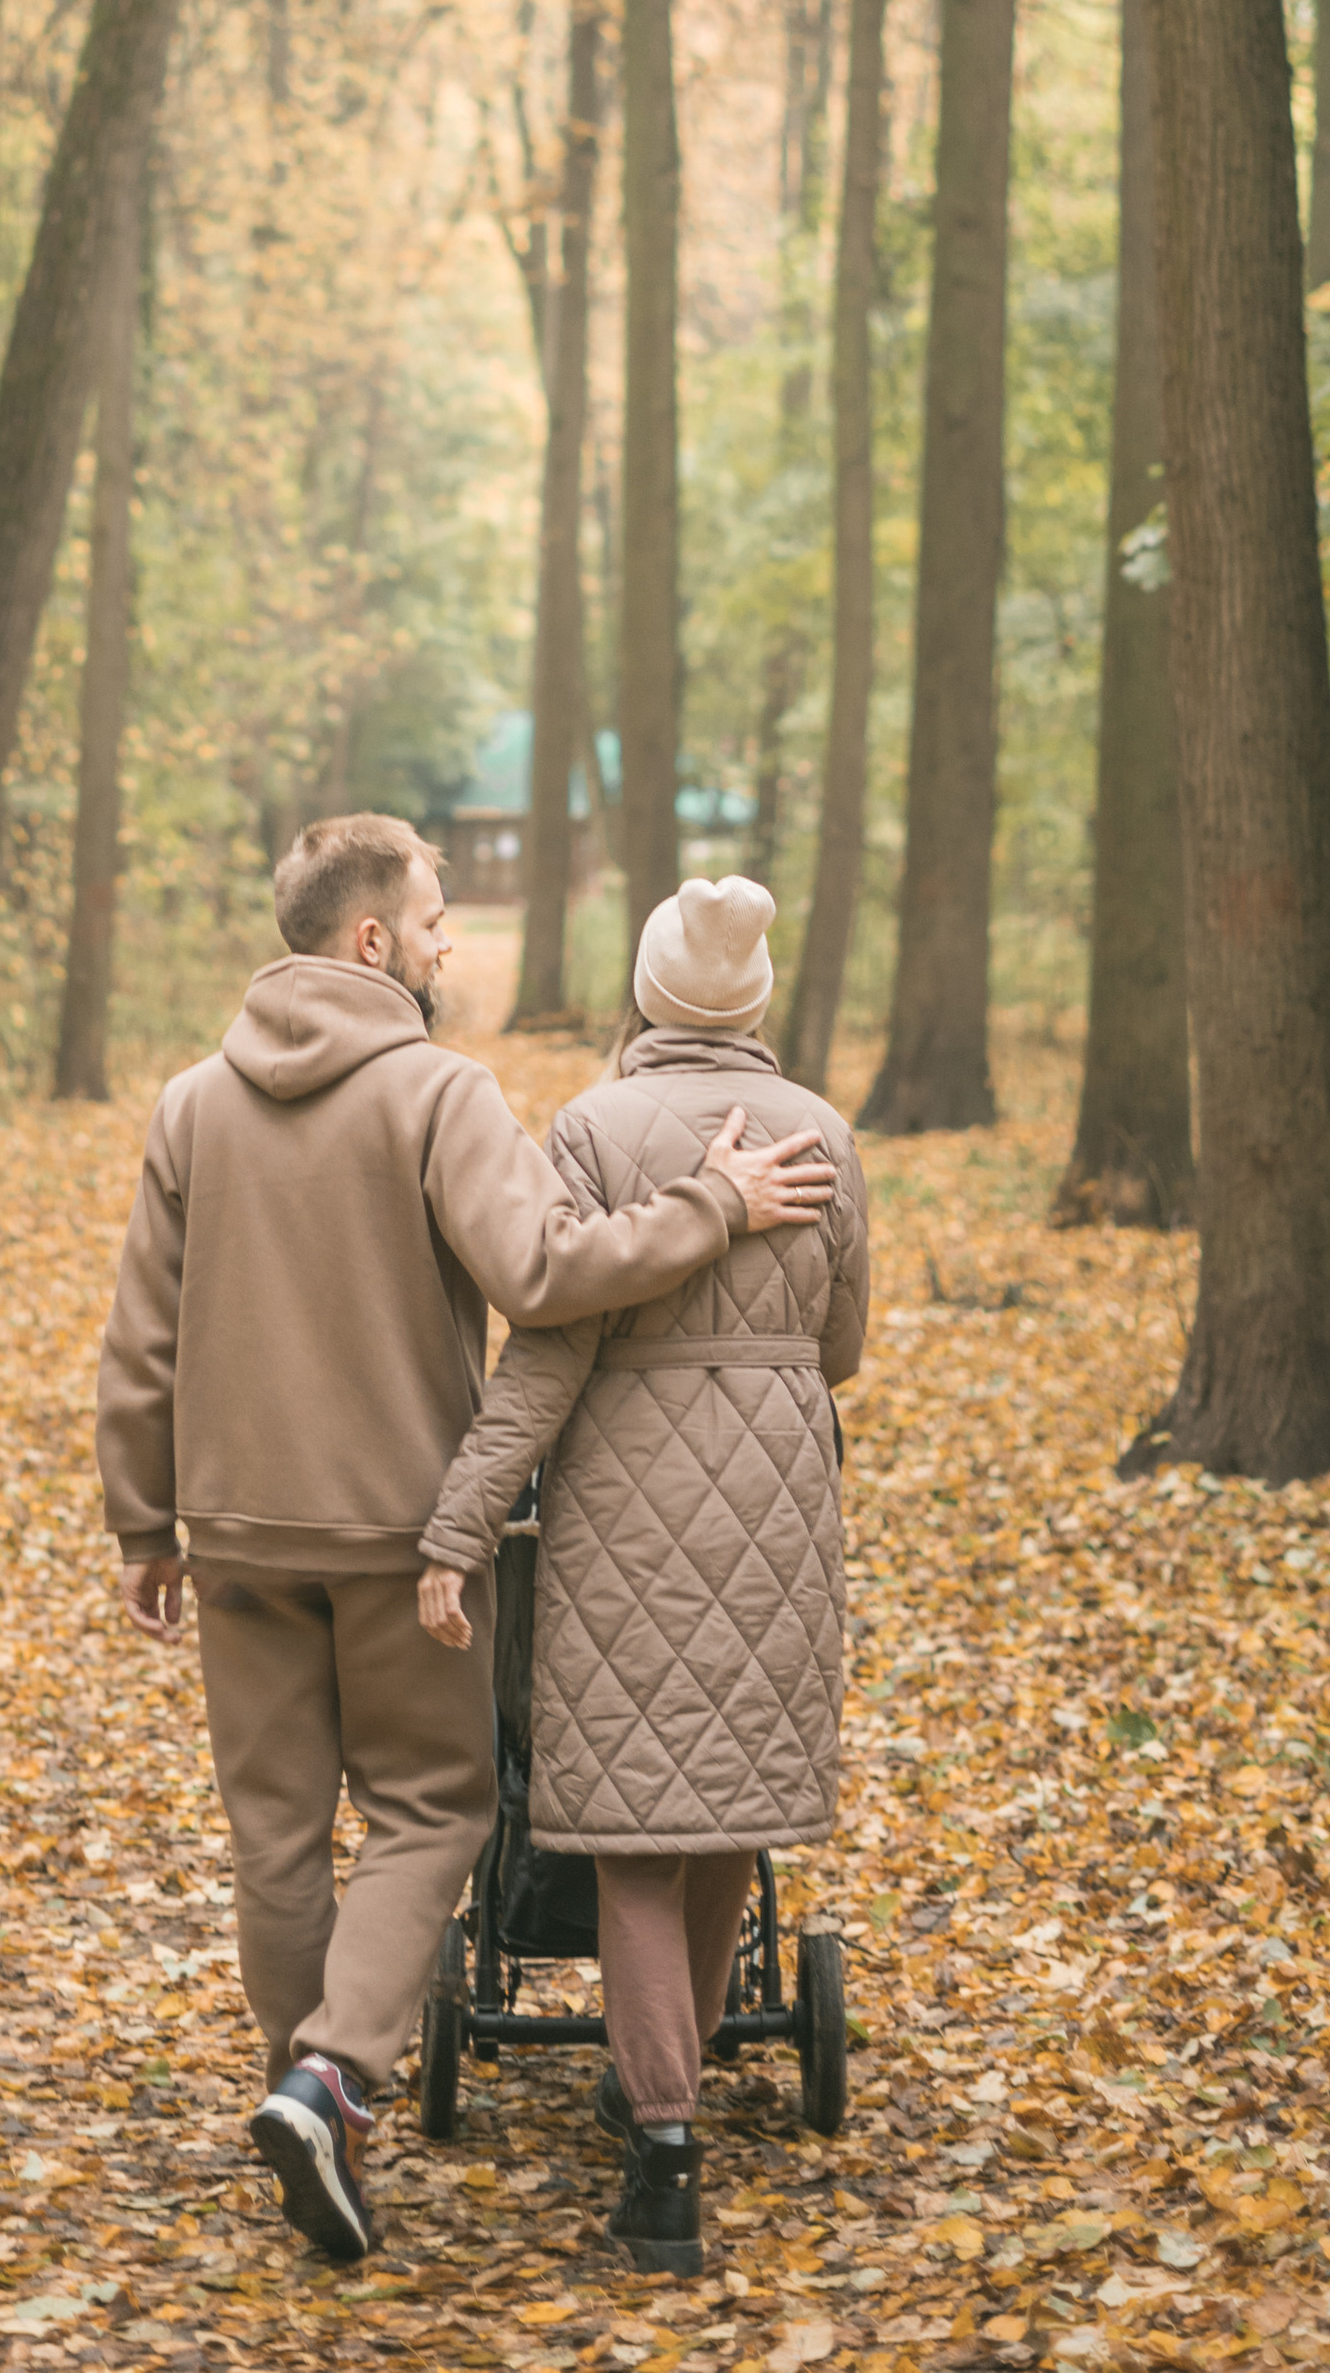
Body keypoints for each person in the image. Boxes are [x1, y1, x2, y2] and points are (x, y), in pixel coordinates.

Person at [93, 815, 839, 2268]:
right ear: (372, 939)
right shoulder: (436, 1094)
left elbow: (140, 1338)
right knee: (436, 1810)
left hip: (236, 1523)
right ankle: (331, 2078)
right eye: (434, 922)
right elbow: (549, 1276)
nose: (446, 946)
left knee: (275, 1835)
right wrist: (716, 1203)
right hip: (393, 1527)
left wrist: (143, 1518)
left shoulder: (193, 1104)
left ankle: (306, 2102)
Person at [417, 873, 868, 2279]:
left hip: (626, 1503)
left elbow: (549, 1347)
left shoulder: (596, 1131)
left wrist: (462, 1522)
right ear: (752, 1002)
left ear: (647, 992)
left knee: (633, 1827)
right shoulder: (827, 1137)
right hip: (783, 1498)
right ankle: (669, 2068)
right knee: (726, 1805)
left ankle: (662, 2140)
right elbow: (844, 1345)